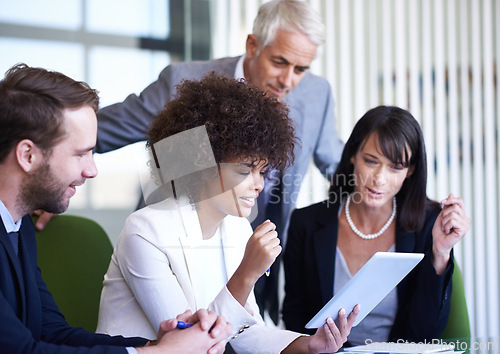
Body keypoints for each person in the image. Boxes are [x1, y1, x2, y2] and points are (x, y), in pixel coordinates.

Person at [71, 0, 342, 322]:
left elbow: (337, 165)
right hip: (175, 251)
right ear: (253, 45)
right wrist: (52, 179)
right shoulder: (183, 81)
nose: (288, 80)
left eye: (300, 69)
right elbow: (95, 132)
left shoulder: (316, 93)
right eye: (279, 62)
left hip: (258, 247)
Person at [96, 73, 359, 354]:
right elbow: (190, 343)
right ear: (203, 164)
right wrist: (247, 273)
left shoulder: (237, 228)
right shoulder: (145, 230)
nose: (258, 185)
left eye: (263, 172)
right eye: (245, 171)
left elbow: (244, 331)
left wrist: (307, 345)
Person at [0, 63, 232, 353]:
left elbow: (50, 333)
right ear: (27, 155)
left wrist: (158, 344)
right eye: (81, 154)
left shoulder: (18, 226)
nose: (92, 170)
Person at [282, 105, 471, 346]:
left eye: (396, 167)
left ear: (410, 170)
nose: (379, 179)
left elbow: (426, 334)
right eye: (371, 161)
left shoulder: (428, 225)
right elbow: (295, 318)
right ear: (353, 155)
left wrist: (441, 253)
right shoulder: (305, 223)